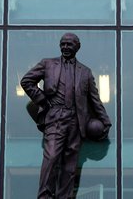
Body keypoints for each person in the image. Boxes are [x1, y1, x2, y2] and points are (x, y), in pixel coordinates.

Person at [21, 32, 111, 199]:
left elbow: (95, 100)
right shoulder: (48, 64)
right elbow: (26, 81)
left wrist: (105, 122)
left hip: (76, 120)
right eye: (63, 44)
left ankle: (65, 196)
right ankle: (45, 195)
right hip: (55, 116)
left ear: (77, 47)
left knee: (70, 164)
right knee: (52, 156)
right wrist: (42, 100)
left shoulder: (85, 72)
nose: (65, 47)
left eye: (69, 44)